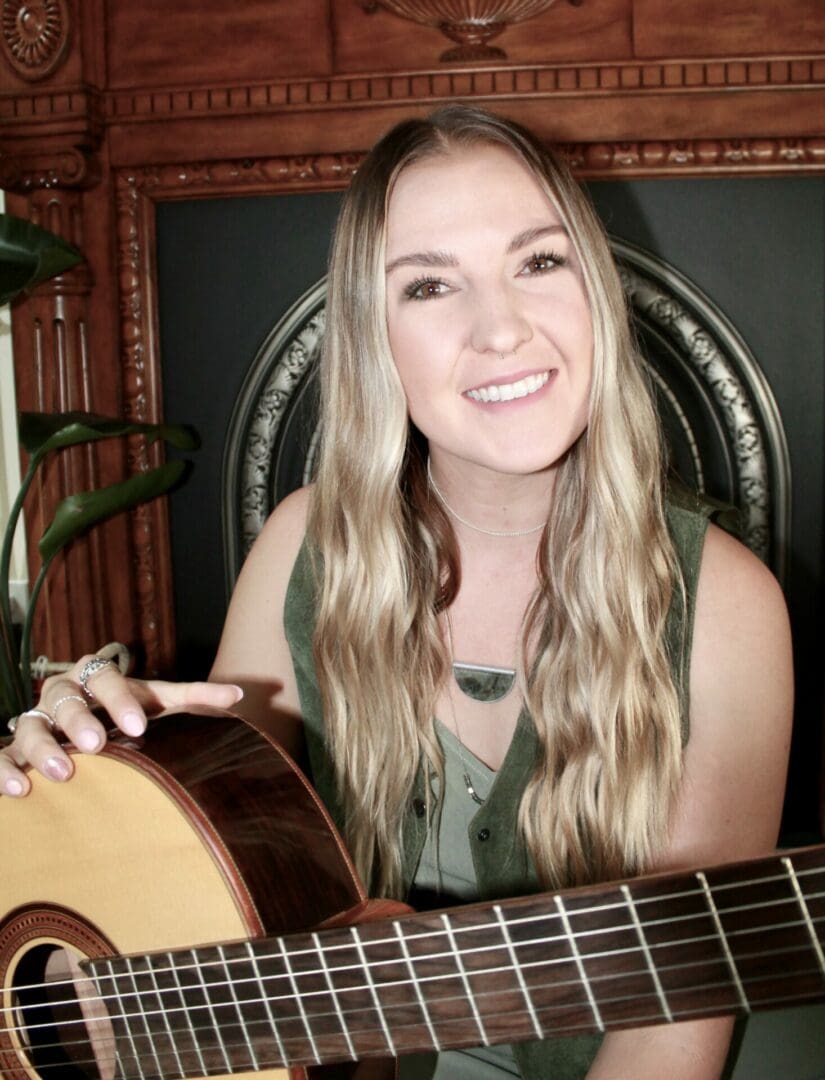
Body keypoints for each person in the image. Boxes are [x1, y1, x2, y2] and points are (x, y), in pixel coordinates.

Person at [0, 105, 793, 1078]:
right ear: (378, 339)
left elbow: (676, 1027)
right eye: (428, 285)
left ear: (598, 293)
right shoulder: (302, 549)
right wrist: (92, 781)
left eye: (539, 262)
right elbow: (195, 847)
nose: (501, 328)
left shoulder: (729, 605)